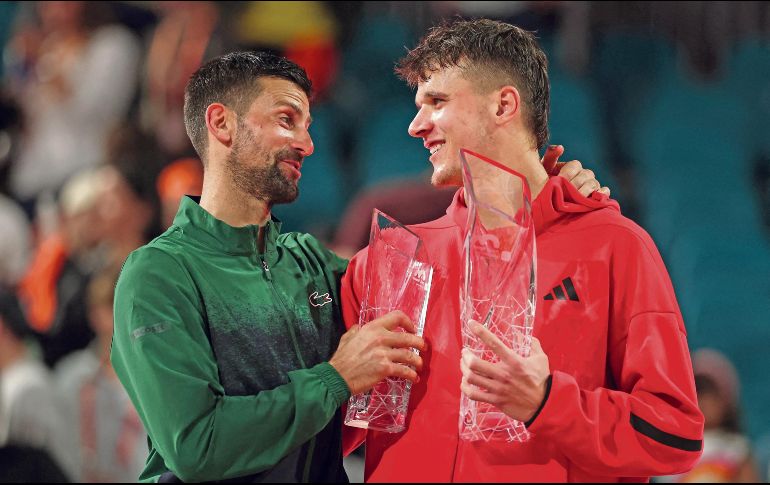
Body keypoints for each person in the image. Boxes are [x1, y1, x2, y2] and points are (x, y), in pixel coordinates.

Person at [340, 19, 704, 482]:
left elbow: (673, 436)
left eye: (437, 102)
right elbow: (331, 436)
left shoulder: (616, 247)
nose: (416, 126)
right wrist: (336, 383)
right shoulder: (388, 262)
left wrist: (548, 403)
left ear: (504, 104)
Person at [110, 51, 426, 482]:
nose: (307, 144)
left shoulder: (311, 260)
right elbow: (197, 446)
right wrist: (334, 379)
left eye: (308, 127)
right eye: (286, 119)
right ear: (221, 123)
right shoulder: (159, 273)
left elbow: (425, 275)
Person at [657, 349, 759, 483]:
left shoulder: (737, 448)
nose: (703, 401)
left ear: (726, 401)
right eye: (696, 391)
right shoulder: (669, 452)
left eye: (710, 393)